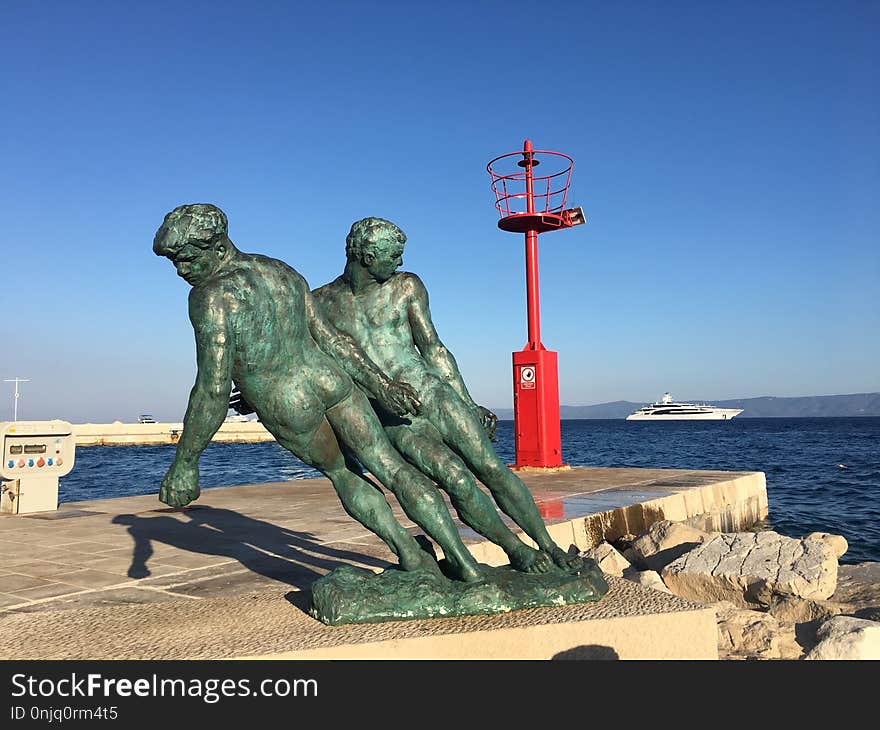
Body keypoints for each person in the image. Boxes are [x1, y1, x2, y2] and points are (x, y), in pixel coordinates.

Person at [152, 203, 485, 582]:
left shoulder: (210, 297)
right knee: (391, 466)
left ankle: (408, 551)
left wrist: (186, 462)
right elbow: (330, 339)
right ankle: (464, 562)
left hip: (289, 404)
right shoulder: (280, 271)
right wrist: (380, 384)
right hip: (330, 380)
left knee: (344, 475)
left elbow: (212, 388)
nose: (181, 270)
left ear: (218, 247)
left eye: (186, 259)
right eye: (174, 262)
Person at [312, 216, 584, 573]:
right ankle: (517, 550)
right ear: (366, 255)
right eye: (393, 255)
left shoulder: (407, 287)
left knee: (491, 467)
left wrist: (468, 403)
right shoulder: (320, 305)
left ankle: (549, 544)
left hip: (432, 392)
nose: (400, 262)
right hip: (392, 417)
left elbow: (433, 349)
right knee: (456, 480)